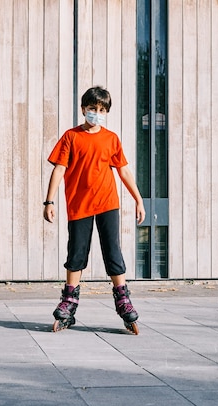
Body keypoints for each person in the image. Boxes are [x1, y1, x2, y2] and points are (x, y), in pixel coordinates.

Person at [43, 86, 146, 334]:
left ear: (106, 112)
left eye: (101, 110)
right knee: (76, 254)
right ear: (83, 109)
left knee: (113, 251)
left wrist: (138, 199)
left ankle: (123, 300)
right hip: (79, 205)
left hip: (107, 203)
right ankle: (69, 302)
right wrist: (49, 201)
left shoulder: (111, 139)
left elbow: (123, 170)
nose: (96, 114)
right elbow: (59, 168)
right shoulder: (71, 137)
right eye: (92, 109)